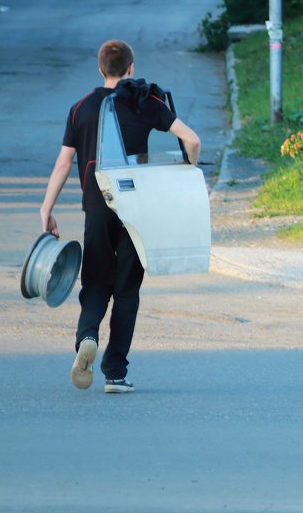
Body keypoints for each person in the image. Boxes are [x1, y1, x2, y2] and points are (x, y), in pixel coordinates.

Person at [39, 40, 201, 394]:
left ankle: (86, 337)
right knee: (127, 289)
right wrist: (190, 169)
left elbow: (63, 163)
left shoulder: (80, 108)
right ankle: (115, 372)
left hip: (97, 208)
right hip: (135, 209)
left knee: (96, 282)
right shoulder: (144, 101)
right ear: (131, 68)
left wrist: (46, 208)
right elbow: (192, 140)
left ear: (100, 70)